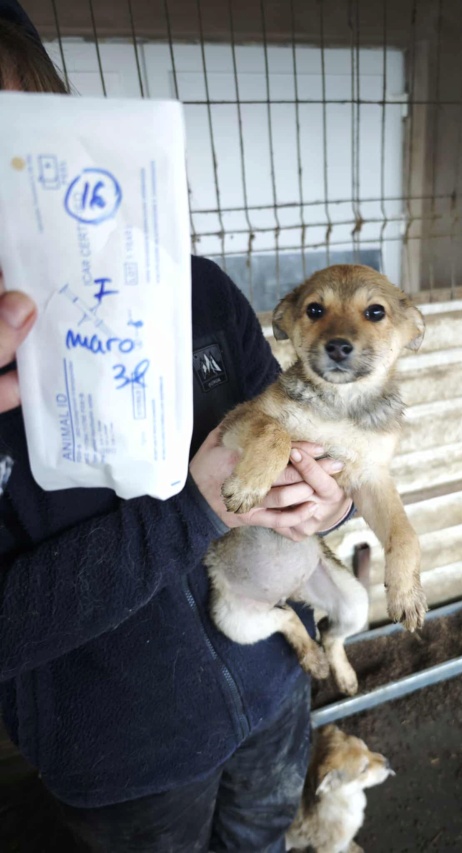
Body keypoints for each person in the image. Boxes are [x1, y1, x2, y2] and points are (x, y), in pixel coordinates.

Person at [0, 3, 354, 850]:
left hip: (273, 680)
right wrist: (192, 511)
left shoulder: (192, 288)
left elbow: (305, 437)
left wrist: (329, 499)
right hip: (125, 758)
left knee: (266, 837)